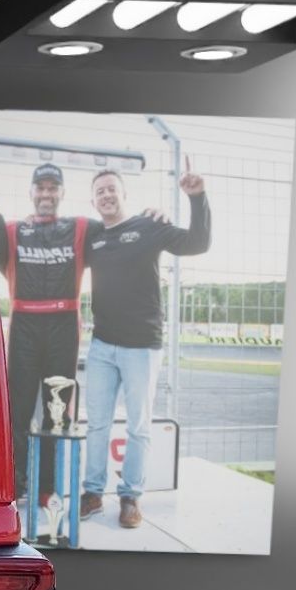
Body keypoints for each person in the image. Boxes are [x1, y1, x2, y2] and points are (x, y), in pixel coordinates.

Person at [80, 159, 212, 528]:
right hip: (102, 346)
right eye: (99, 191)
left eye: (111, 188)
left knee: (138, 426)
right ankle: (92, 492)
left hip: (142, 347)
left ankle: (130, 498)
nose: (106, 195)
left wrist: (197, 197)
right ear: (93, 202)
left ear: (124, 194)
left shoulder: (149, 225)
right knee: (97, 425)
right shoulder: (91, 236)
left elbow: (198, 243)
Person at [0, 163, 89, 506]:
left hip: (64, 326)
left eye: (52, 188)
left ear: (61, 193)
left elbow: (119, 233)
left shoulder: (79, 228)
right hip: (24, 325)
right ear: (31, 192)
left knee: (56, 413)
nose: (46, 194)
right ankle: (15, 485)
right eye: (40, 188)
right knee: (16, 411)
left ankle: (49, 488)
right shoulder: (12, 229)